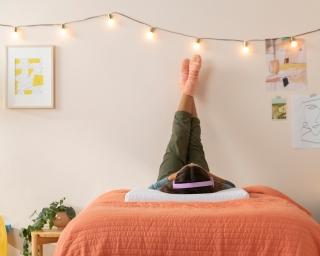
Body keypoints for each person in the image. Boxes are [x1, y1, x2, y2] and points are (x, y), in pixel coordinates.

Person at [149, 55, 235, 194]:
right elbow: (232, 187)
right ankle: (189, 85)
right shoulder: (207, 188)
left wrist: (173, 177)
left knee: (179, 136)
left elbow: (151, 189)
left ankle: (188, 87)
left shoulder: (166, 192)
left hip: (173, 182)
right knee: (194, 138)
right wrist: (207, 175)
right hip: (200, 179)